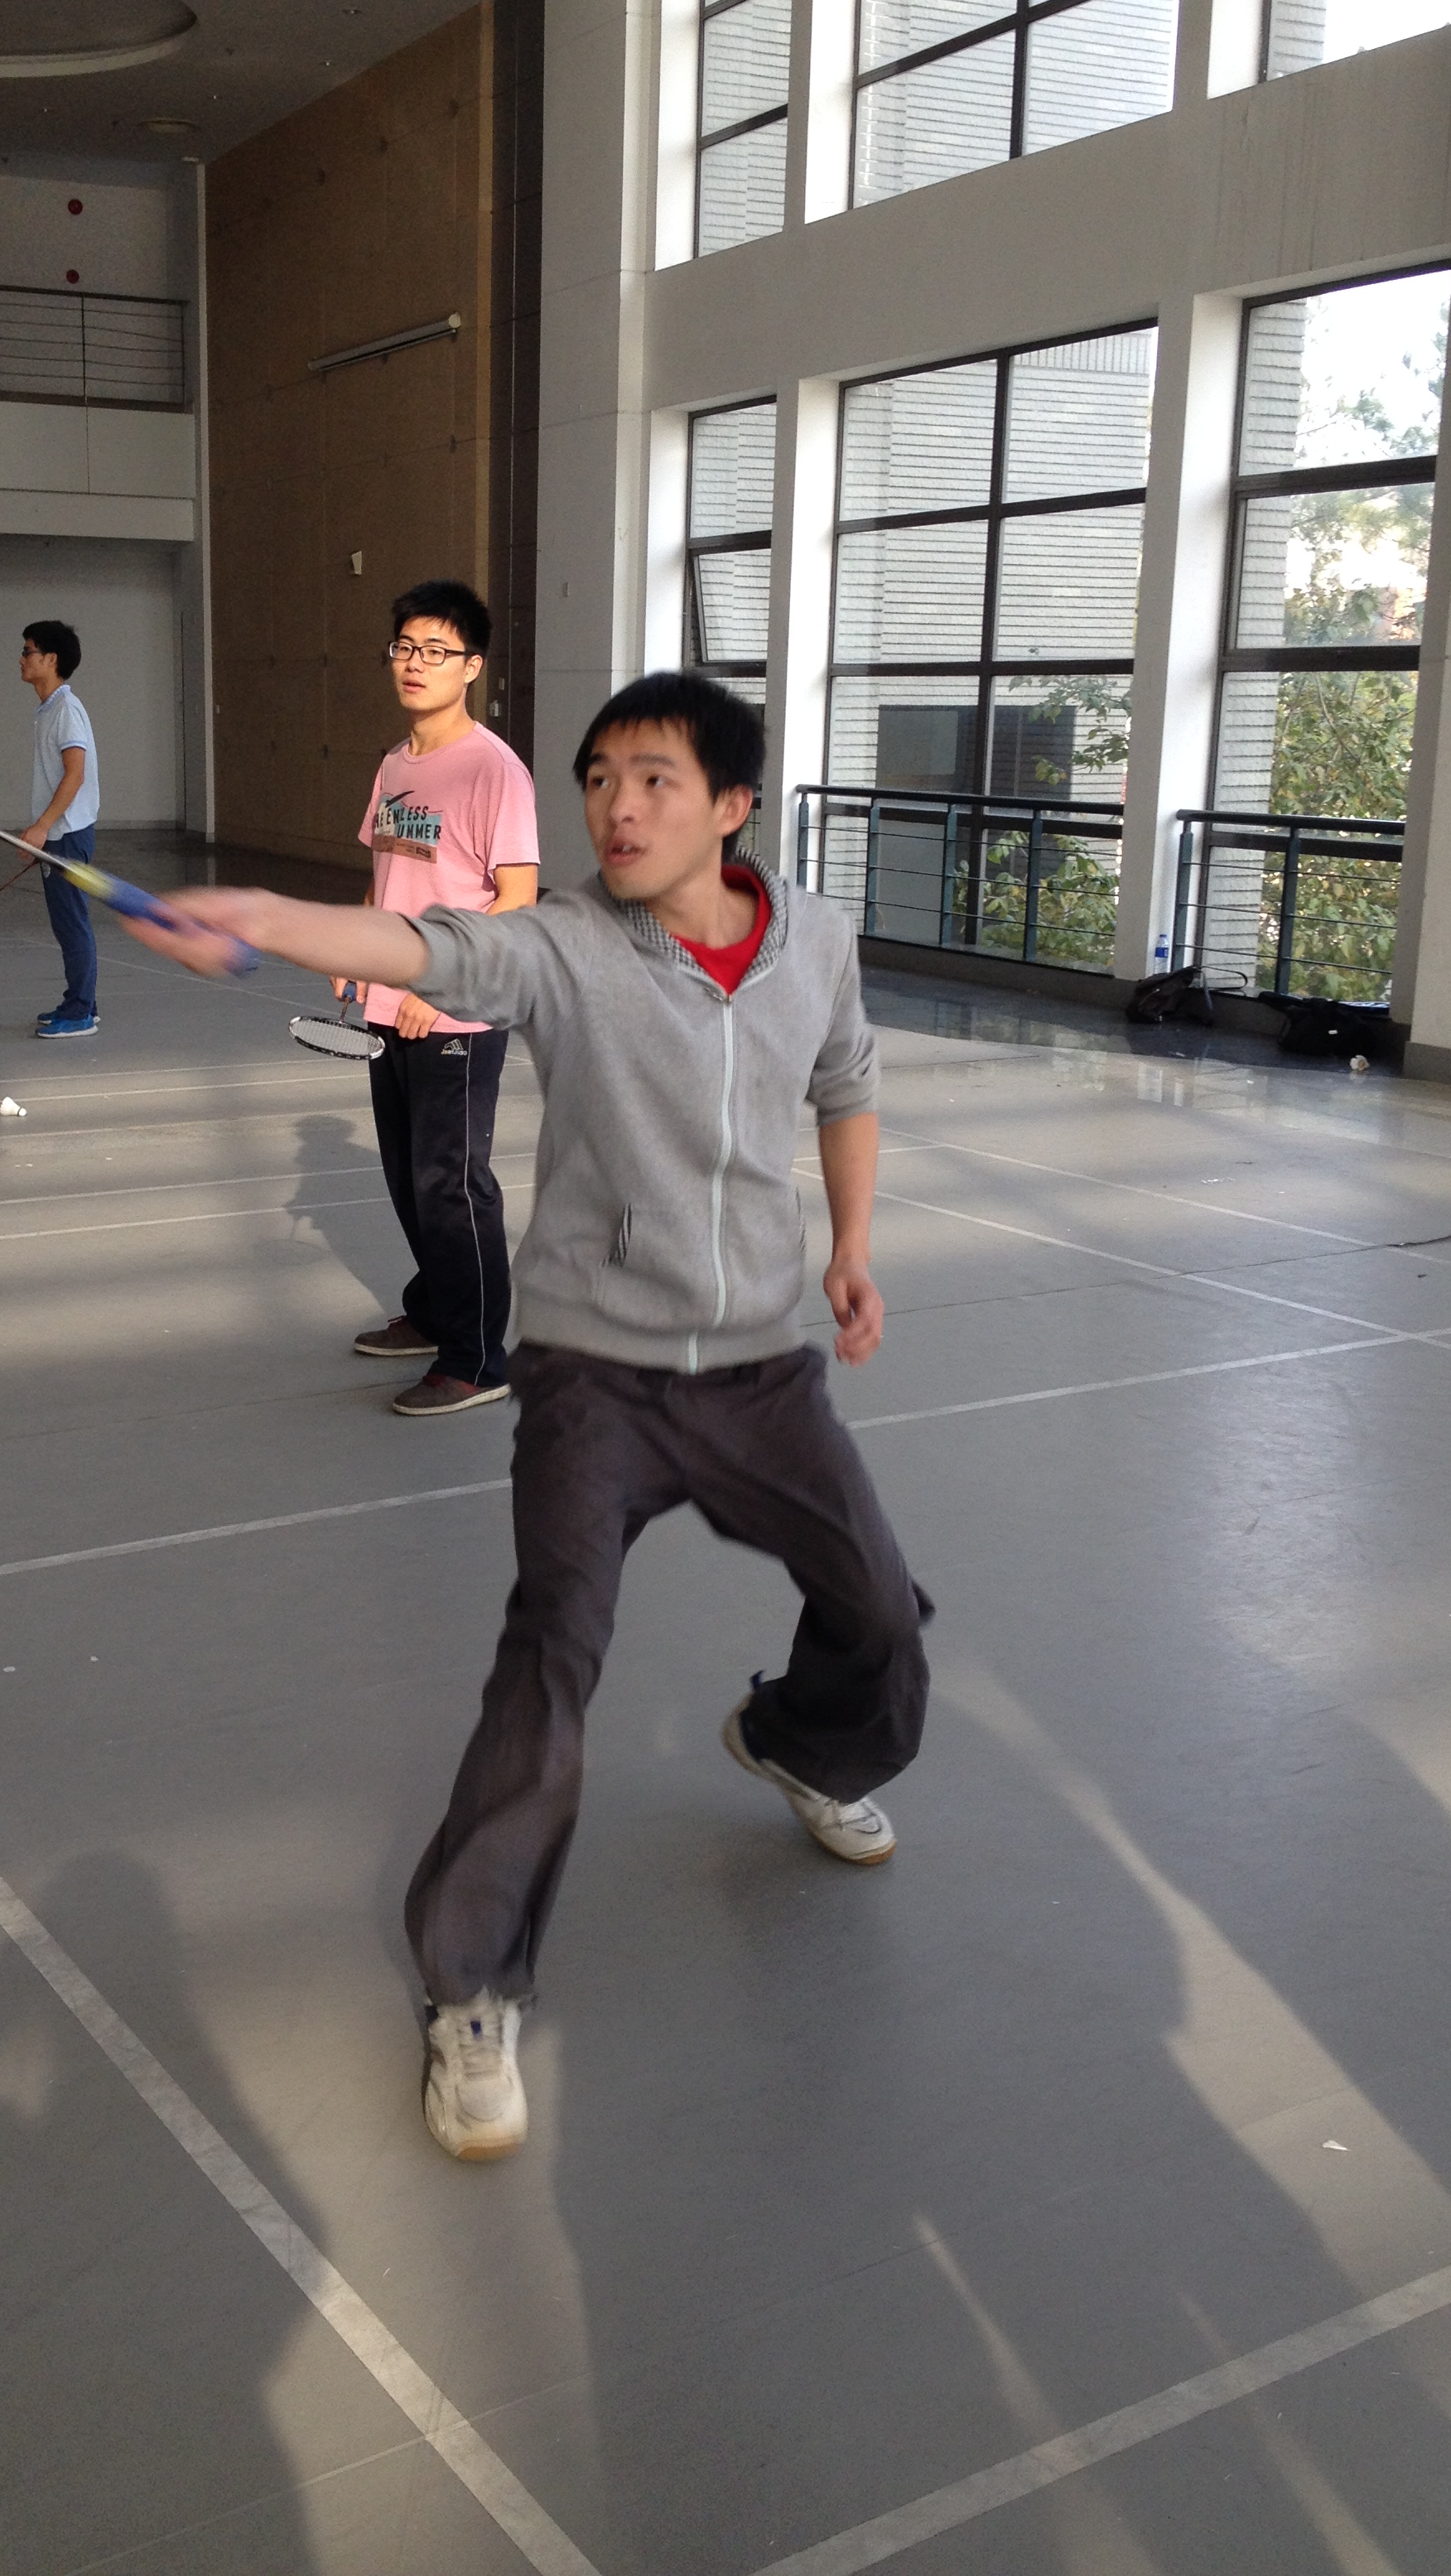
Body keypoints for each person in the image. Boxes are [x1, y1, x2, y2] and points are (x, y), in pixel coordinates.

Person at [122, 670, 933, 2164]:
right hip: (594, 1376)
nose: (616, 806)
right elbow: (428, 941)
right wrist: (264, 914)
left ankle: (801, 1742)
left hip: (760, 1367)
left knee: (878, 1606)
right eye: (599, 778)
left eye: (654, 780)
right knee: (552, 1656)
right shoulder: (568, 944)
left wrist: (853, 1247)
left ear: (733, 806)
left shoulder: (817, 940)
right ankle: (473, 1983)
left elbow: (847, 1084)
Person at [349, 581, 539, 1416]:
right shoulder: (396, 763)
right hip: (389, 1003)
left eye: (435, 651)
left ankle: (478, 1360)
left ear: (471, 667)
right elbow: (385, 873)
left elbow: (518, 899)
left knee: (452, 1183)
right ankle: (433, 1312)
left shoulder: (494, 769)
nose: (414, 663)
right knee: (408, 1176)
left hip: (457, 1007)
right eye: (405, 647)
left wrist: (445, 978)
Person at [18, 620, 100, 1039]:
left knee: (72, 923)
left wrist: (43, 827)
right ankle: (80, 1002)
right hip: (58, 834)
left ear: (51, 659)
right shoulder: (48, 709)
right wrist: (40, 835)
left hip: (69, 834)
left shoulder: (66, 709)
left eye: (28, 651)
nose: (21, 659)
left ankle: (80, 1012)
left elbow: (75, 774)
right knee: (68, 923)